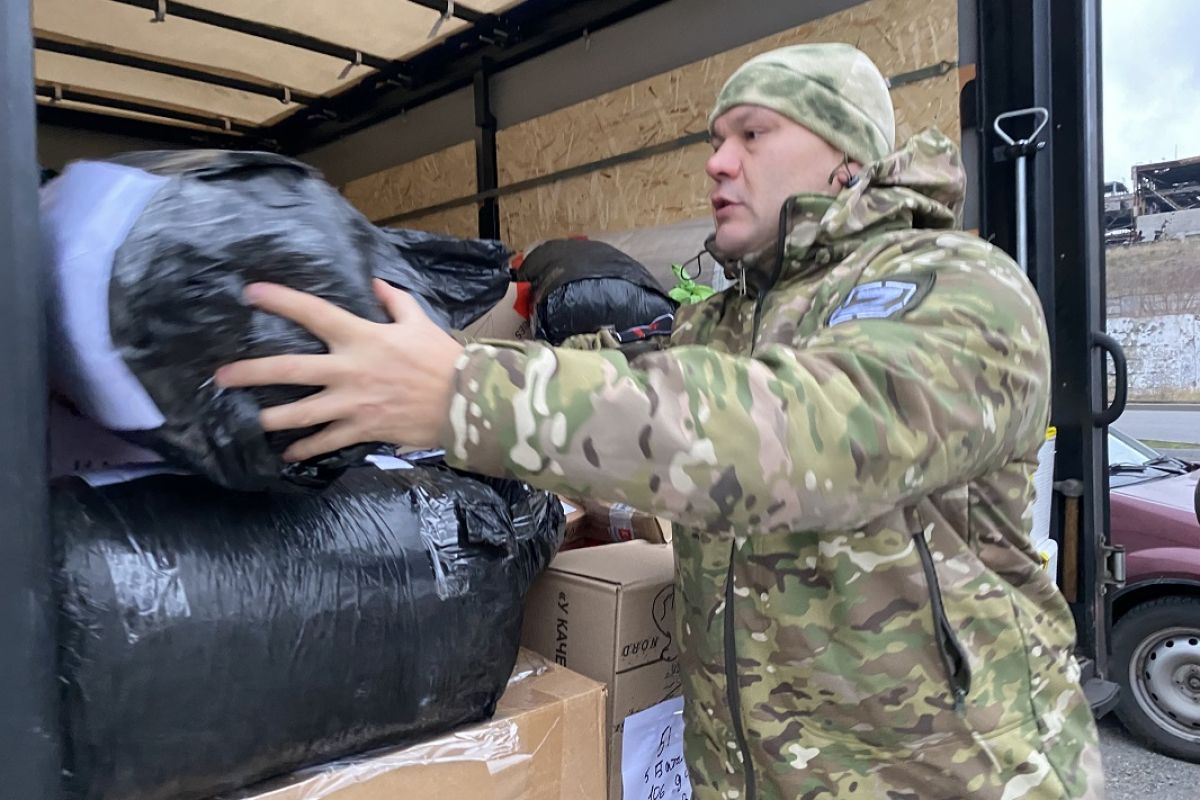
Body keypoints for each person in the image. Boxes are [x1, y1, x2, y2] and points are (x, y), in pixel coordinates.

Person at [217, 43, 1105, 800]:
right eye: (715, 140)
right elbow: (618, 385)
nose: (718, 161)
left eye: (752, 135)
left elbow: (806, 437)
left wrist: (464, 393)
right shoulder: (721, 321)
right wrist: (419, 364)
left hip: (949, 776)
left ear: (847, 155)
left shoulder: (956, 286)